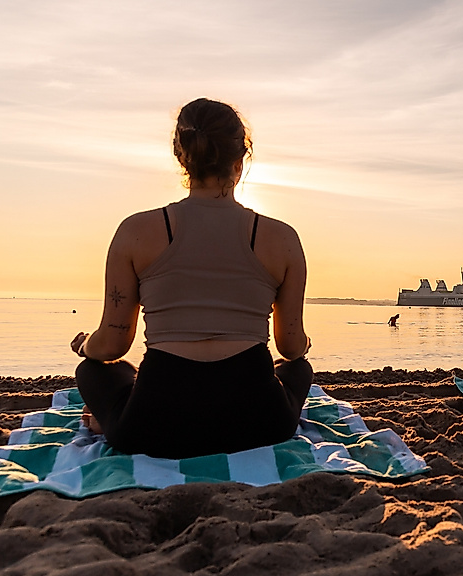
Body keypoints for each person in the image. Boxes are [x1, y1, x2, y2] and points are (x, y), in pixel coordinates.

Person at [70, 98, 313, 459]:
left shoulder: (135, 231)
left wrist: (85, 346)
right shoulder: (282, 238)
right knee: (298, 369)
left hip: (153, 426)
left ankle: (107, 419)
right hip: (260, 423)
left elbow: (112, 345)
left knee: (93, 371)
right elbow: (291, 348)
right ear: (241, 158)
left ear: (181, 157)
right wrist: (305, 344)